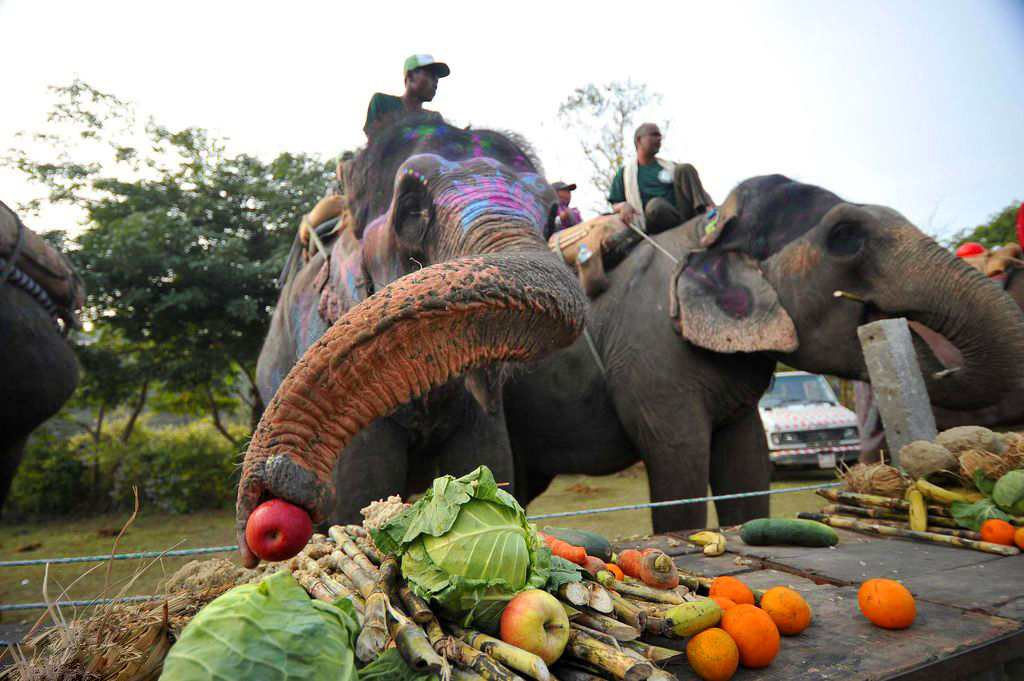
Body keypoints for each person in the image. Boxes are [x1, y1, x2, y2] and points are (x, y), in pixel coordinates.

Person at [607, 123, 714, 234]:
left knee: (684, 168)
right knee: (655, 205)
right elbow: (615, 204)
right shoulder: (624, 174)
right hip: (655, 219)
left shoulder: (669, 166)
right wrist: (623, 205)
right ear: (639, 140)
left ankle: (705, 216)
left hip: (681, 214)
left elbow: (695, 189)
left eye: (660, 136)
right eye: (654, 135)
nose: (659, 138)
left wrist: (709, 202)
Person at [363, 54, 449, 139]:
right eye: (430, 76)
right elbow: (374, 144)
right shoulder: (382, 102)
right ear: (410, 76)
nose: (435, 85)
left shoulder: (434, 117)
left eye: (437, 80)